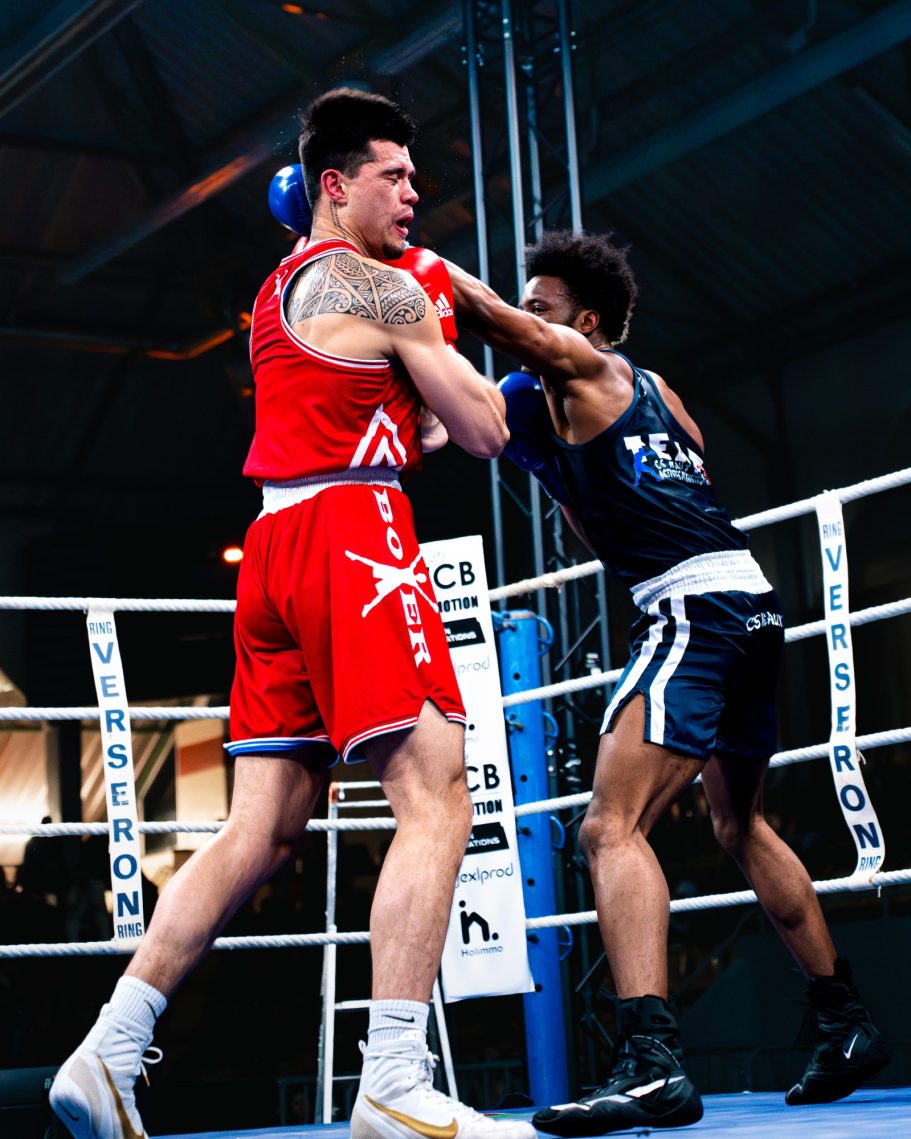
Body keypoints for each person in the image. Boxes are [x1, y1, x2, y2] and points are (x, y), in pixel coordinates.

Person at [50, 88, 534, 1139]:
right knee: (436, 793)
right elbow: (487, 431)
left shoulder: (279, 289)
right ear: (334, 185)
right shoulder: (384, 286)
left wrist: (421, 392)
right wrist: (467, 354)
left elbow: (374, 413)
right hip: (354, 540)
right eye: (393, 176)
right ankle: (393, 1080)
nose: (413, 194)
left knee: (260, 827)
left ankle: (107, 1051)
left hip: (274, 544)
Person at [444, 230, 890, 1134]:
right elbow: (623, 512)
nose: (529, 318)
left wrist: (392, 258)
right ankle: (845, 1022)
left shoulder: (586, 364)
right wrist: (551, 461)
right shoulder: (659, 397)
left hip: (694, 609)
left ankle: (651, 1063)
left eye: (542, 308)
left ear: (585, 322)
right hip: (751, 604)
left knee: (607, 826)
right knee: (739, 823)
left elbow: (485, 317)